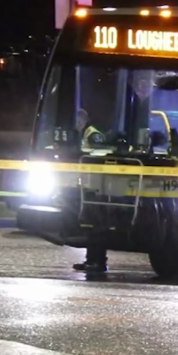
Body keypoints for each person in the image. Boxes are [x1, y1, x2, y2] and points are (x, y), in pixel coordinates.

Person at [73, 108, 108, 274]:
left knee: (96, 226)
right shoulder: (85, 134)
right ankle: (91, 260)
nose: (76, 124)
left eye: (78, 121)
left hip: (97, 188)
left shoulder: (93, 135)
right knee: (90, 226)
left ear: (83, 120)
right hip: (89, 186)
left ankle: (98, 262)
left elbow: (100, 157)